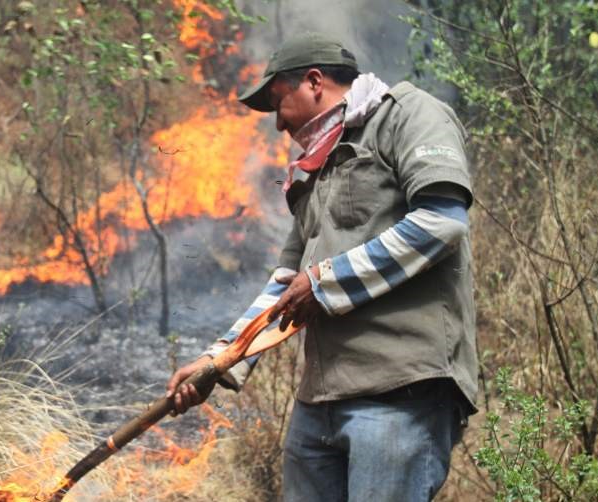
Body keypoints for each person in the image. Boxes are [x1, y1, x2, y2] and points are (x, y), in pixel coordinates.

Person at [165, 32, 477, 501]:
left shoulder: (410, 115)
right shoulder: (316, 170)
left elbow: (442, 222)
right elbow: (287, 285)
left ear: (313, 82)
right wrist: (217, 361)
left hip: (400, 393)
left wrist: (326, 281)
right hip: (320, 404)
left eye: (278, 102)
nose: (277, 125)